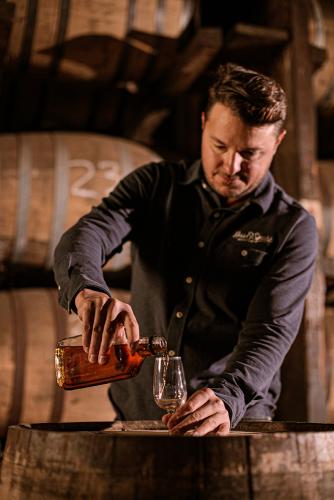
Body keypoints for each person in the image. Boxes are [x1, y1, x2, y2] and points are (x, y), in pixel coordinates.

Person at [54, 63, 318, 436]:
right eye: (220, 146)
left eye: (251, 153)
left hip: (233, 422)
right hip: (138, 419)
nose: (231, 165)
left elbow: (270, 331)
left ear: (277, 142)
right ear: (204, 123)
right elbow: (90, 233)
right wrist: (87, 290)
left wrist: (228, 396)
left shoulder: (292, 227)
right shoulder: (155, 185)